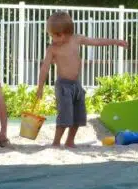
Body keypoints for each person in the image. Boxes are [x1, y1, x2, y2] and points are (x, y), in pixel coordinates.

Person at [36, 11, 128, 148]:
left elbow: (96, 41)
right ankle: (56, 142)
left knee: (79, 115)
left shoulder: (76, 39)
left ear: (67, 32)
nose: (53, 39)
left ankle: (70, 141)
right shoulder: (52, 49)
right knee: (64, 115)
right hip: (63, 86)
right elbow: (44, 68)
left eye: (56, 35)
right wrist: (40, 87)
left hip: (77, 85)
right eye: (51, 36)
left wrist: (115, 42)